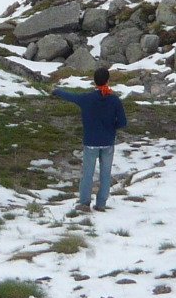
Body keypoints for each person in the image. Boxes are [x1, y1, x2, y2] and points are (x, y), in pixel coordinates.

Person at [54, 67, 128, 213]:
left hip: (90, 143)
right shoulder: (114, 100)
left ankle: (84, 203)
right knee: (105, 174)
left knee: (88, 173)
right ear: (107, 80)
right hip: (107, 143)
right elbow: (123, 123)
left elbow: (71, 96)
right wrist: (111, 127)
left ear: (94, 81)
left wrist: (56, 91)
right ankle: (101, 204)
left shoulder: (86, 99)